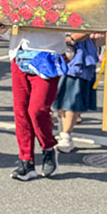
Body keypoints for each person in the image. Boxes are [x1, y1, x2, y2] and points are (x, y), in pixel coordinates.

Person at [8, 28, 66, 180]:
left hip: (46, 53)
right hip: (19, 53)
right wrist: (1, 27)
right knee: (21, 112)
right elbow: (9, 28)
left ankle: (48, 146)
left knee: (37, 109)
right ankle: (26, 160)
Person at [55, 34, 101, 153]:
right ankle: (64, 132)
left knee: (71, 99)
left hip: (77, 55)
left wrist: (70, 39)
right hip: (57, 51)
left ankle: (66, 135)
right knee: (59, 98)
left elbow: (90, 26)